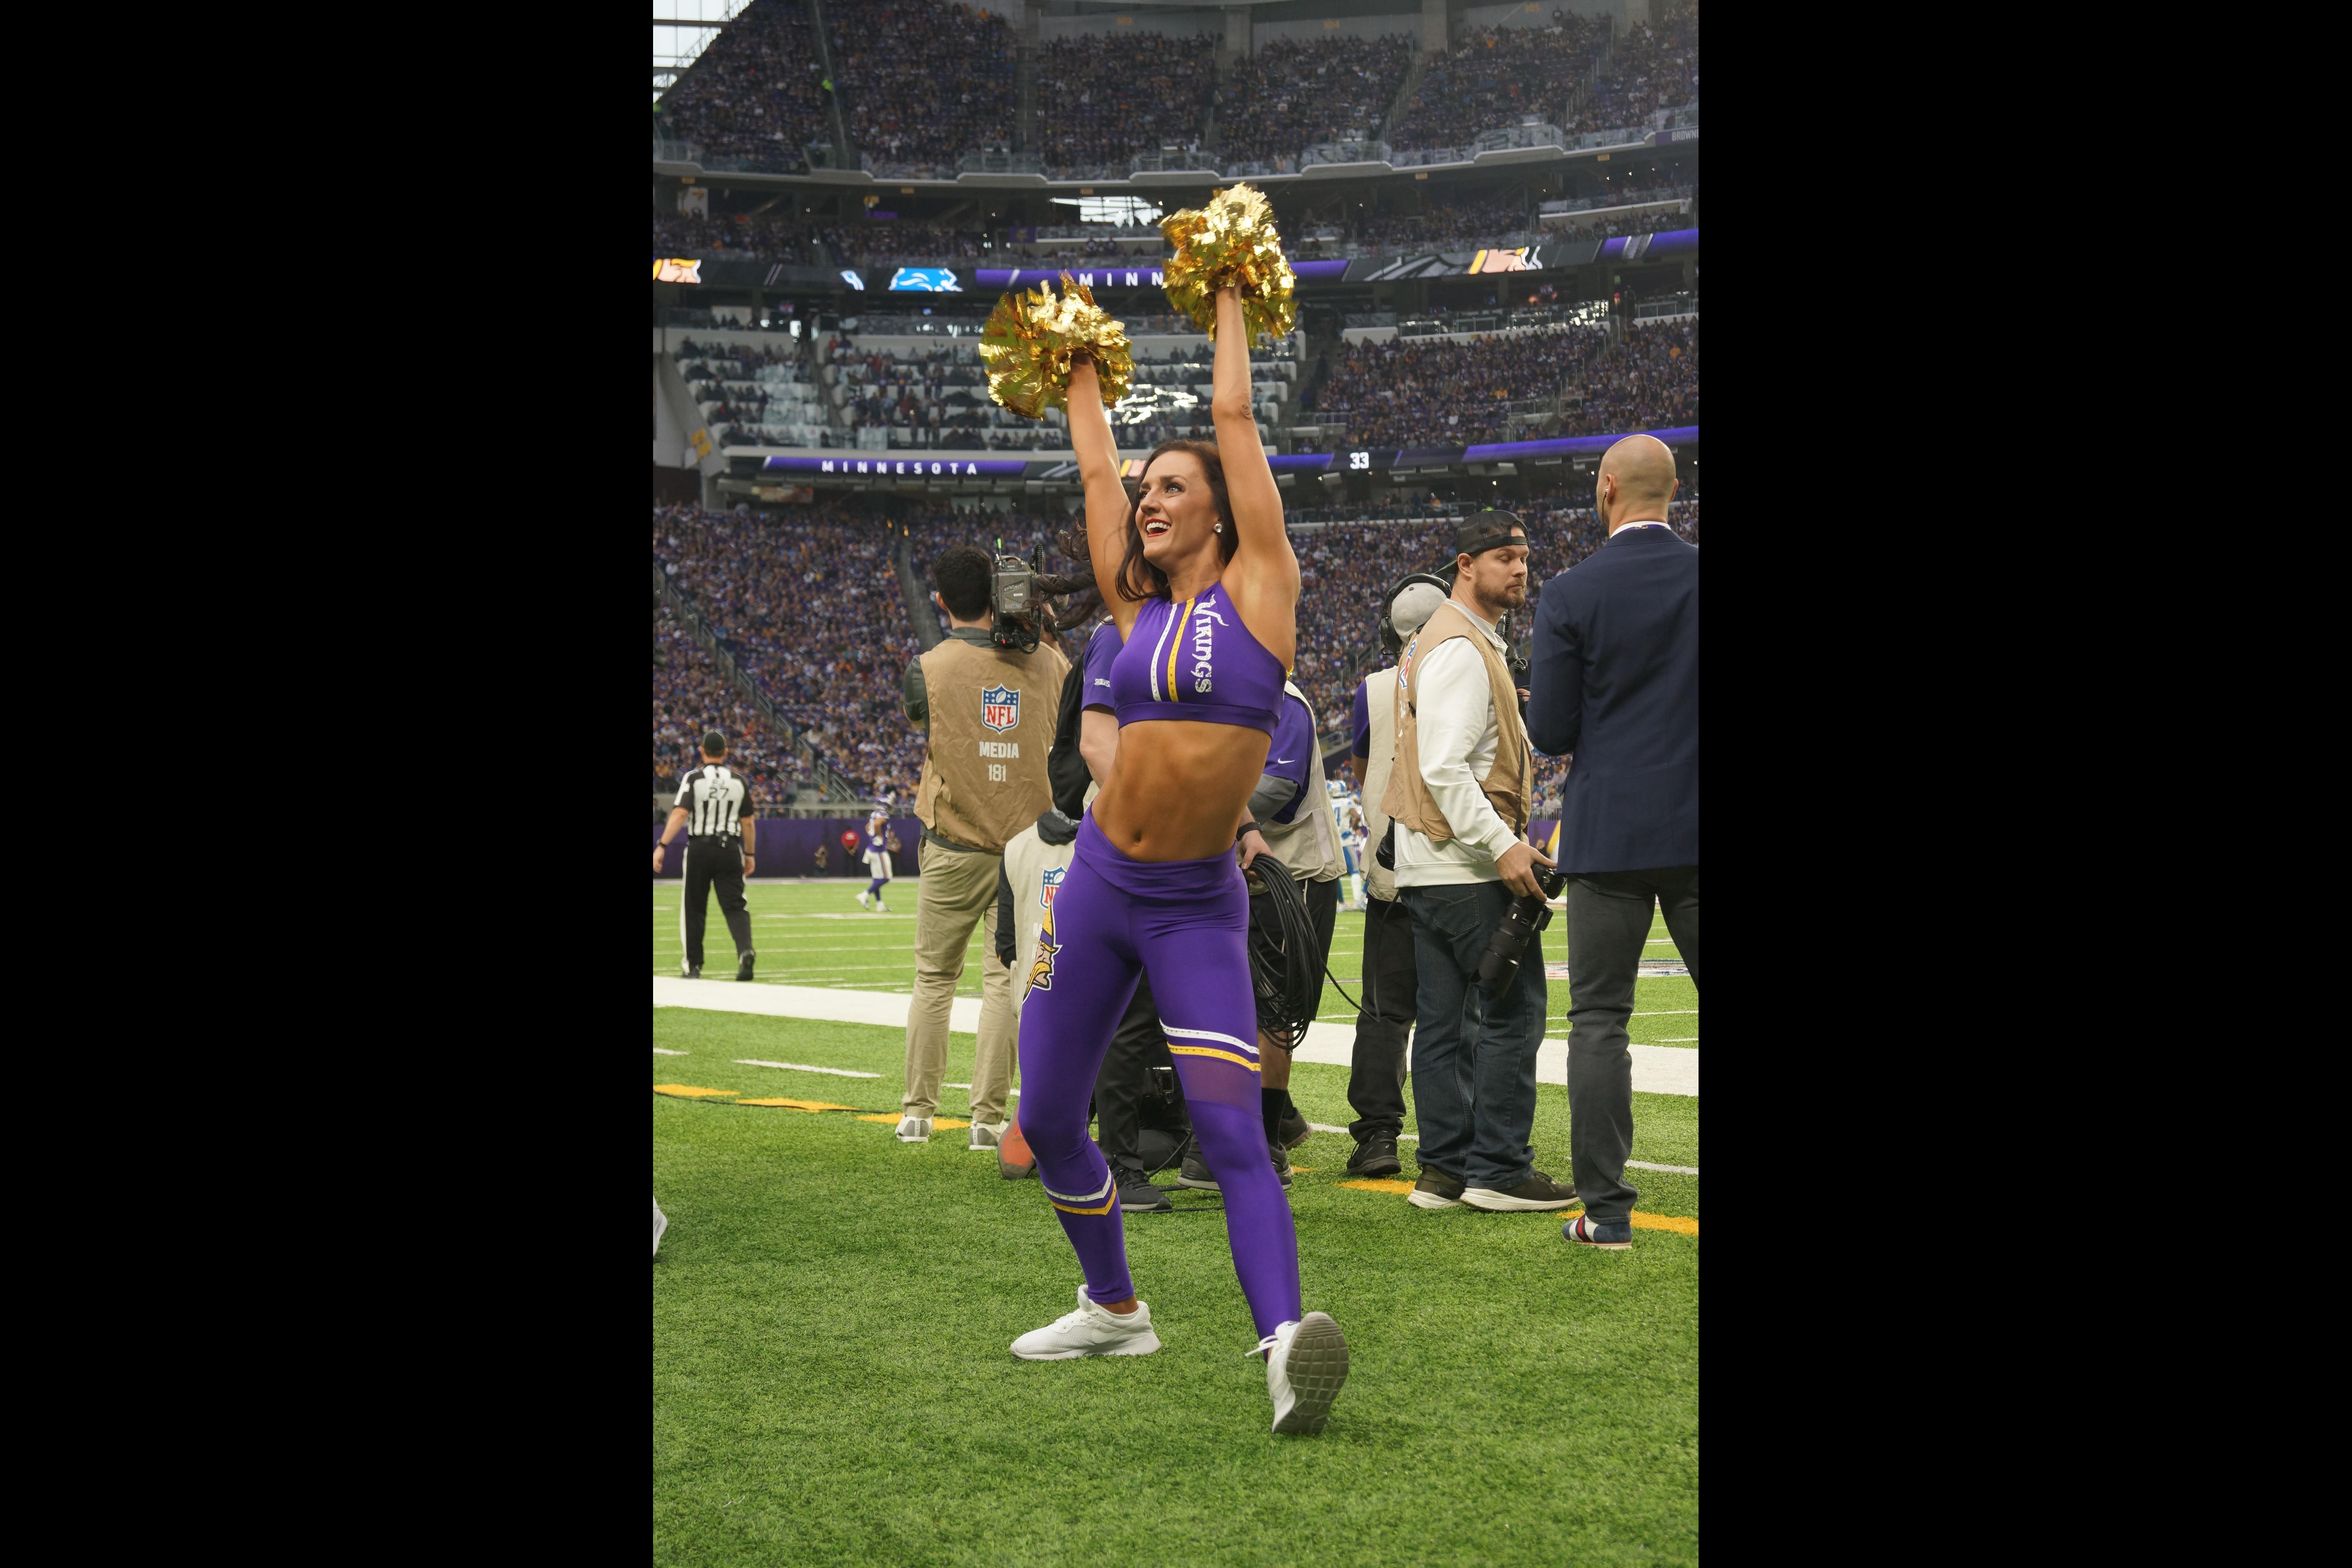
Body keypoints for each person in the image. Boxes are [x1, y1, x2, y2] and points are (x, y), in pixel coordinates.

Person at [1006, 282, 1349, 1438]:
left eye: (1172, 487)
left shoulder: (1262, 593)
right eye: (1146, 489)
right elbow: (1093, 471)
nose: (1148, 500)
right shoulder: (1125, 612)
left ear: (1217, 510)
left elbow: (1236, 419)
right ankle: (1112, 1303)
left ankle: (1283, 1346)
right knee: (1050, 1115)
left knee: (1231, 1128)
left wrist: (1226, 299)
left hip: (1193, 905)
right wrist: (1078, 373)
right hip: (1099, 886)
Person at [1524, 434, 1698, 1252]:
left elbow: (1552, 729)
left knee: (1599, 1020)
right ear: (1675, 491)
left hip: (1608, 834)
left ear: (1605, 491)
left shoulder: (1568, 592)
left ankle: (1607, 1214)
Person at [1382, 513, 1576, 1214]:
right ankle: (1498, 1167)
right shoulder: (1462, 647)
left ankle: (1443, 1172)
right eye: (1504, 557)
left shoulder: (1450, 642)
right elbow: (1443, 766)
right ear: (1466, 566)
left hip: (1428, 864)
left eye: (1524, 556)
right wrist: (1503, 844)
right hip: (1466, 865)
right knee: (1511, 1013)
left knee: (1440, 1023)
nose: (1520, 568)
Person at [897, 545, 1071, 1152]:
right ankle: (987, 1119)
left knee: (933, 979)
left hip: (952, 843)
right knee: (1003, 982)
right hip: (1023, 848)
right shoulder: (1049, 663)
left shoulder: (928, 666)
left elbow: (925, 720)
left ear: (942, 599)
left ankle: (918, 1111)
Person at [1176, 675, 1337, 1193]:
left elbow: (1279, 789)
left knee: (1272, 1012)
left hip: (1289, 874)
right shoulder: (1228, 692)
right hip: (1239, 875)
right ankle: (1272, 1123)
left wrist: (1197, 817)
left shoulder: (1279, 698)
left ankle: (1266, 1140)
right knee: (1233, 1006)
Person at [1340, 573, 1448, 1178]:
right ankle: (1459, 1139)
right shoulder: (1474, 671)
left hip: (1392, 868)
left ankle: (1377, 1136)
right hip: (1459, 871)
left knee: (1384, 1012)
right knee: (1460, 1011)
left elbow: (1362, 771)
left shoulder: (1372, 688)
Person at [653, 730, 758, 982]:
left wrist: (662, 845)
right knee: (736, 906)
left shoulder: (694, 778)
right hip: (730, 848)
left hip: (700, 848)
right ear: (726, 752)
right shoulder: (739, 781)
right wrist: (751, 854)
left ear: (702, 751)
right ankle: (745, 951)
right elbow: (748, 823)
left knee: (694, 907)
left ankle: (694, 966)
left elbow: (680, 814)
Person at [857, 809, 894, 911]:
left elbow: (867, 827)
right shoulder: (882, 814)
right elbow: (877, 824)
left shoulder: (875, 814)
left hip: (872, 849)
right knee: (886, 878)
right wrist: (880, 837)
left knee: (877, 879)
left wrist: (872, 836)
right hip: (879, 851)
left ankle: (880, 904)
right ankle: (865, 895)